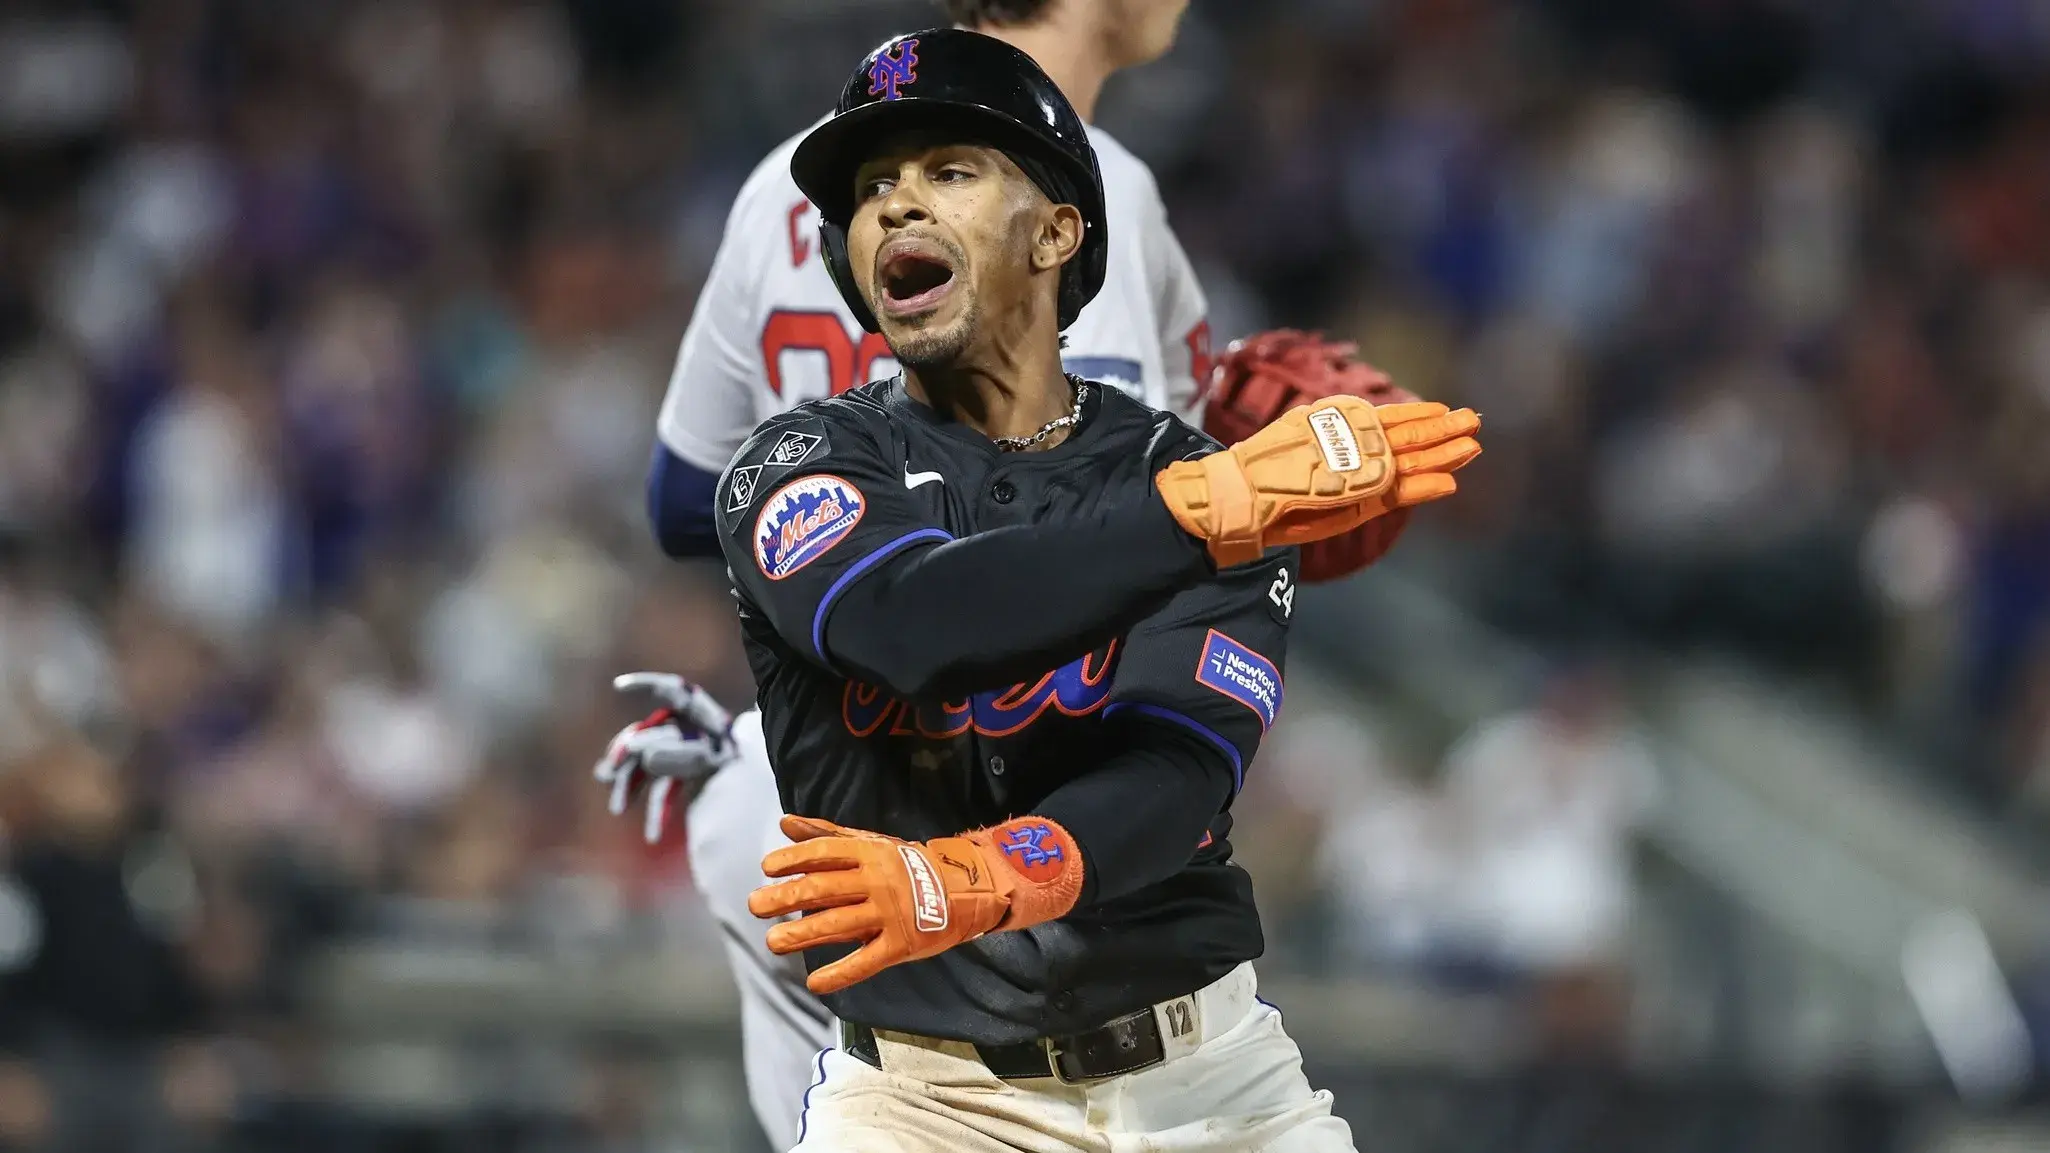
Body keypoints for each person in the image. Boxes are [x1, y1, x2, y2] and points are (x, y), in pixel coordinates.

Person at [597, 3, 1418, 1147]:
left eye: (948, 169)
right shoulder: (793, 463)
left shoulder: (1184, 470)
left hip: (1208, 1082)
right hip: (927, 1095)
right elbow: (911, 620)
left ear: (1056, 234)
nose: (896, 203)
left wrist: (981, 877)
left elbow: (1180, 772)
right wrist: (1200, 514)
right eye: (870, 187)